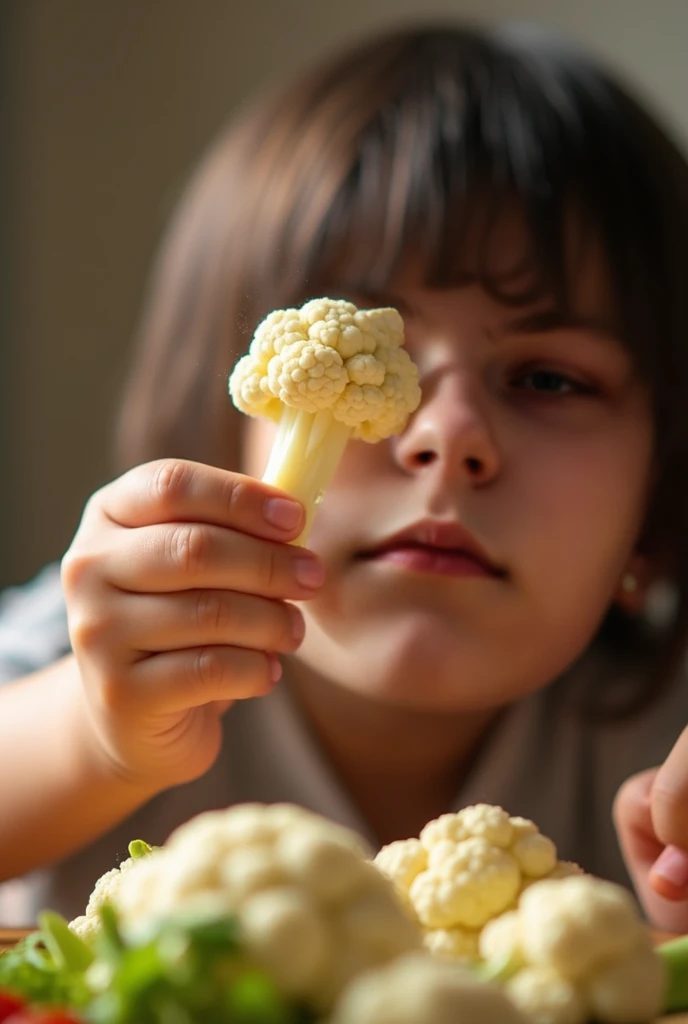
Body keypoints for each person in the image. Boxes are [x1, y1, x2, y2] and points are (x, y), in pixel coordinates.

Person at [1, 21, 688, 934]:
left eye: (548, 379)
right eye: (373, 368)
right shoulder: (104, 647)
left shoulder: (659, 737)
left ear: (656, 499)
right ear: (223, 429)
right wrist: (95, 735)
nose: (448, 438)